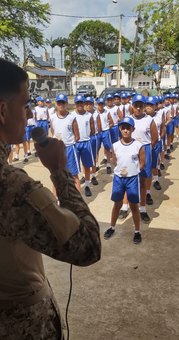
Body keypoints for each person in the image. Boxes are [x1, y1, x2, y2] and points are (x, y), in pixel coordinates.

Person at [0, 58, 101, 339]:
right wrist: (60, 172)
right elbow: (87, 246)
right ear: (3, 111)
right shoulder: (12, 188)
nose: (29, 114)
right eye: (25, 105)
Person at [104, 116, 145, 244]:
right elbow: (114, 159)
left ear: (133, 129)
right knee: (117, 203)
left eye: (128, 128)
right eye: (123, 128)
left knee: (133, 205)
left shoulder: (138, 145)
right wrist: (119, 169)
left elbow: (142, 162)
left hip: (132, 179)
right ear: (120, 129)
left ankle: (137, 231)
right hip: (119, 178)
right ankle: (112, 227)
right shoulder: (115, 145)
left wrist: (134, 171)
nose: (125, 130)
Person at [50, 93, 81, 192]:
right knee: (57, 176)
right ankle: (56, 201)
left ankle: (79, 202)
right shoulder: (53, 117)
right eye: (59, 102)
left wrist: (68, 143)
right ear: (56, 103)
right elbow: (53, 131)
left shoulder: (71, 118)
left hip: (69, 149)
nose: (61, 105)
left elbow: (77, 136)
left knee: (74, 176)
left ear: (66, 103)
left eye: (63, 102)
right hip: (57, 150)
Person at [74, 96, 95, 197]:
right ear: (75, 104)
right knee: (75, 167)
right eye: (77, 103)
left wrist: (86, 137)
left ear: (84, 104)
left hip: (86, 142)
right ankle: (76, 189)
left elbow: (92, 130)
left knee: (87, 166)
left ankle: (87, 185)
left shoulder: (89, 115)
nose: (79, 105)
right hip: (75, 144)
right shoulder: (71, 115)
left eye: (81, 103)